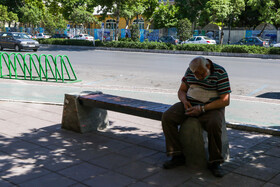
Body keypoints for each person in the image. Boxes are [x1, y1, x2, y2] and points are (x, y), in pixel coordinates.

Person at [161, 56, 231, 177]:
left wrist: (202, 108)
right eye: (196, 75)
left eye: (201, 74)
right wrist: (184, 101)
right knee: (167, 117)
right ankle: (177, 155)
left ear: (208, 66)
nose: (198, 77)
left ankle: (215, 162)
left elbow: (225, 100)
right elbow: (182, 90)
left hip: (211, 107)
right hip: (190, 104)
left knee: (214, 123)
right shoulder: (190, 71)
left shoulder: (220, 72)